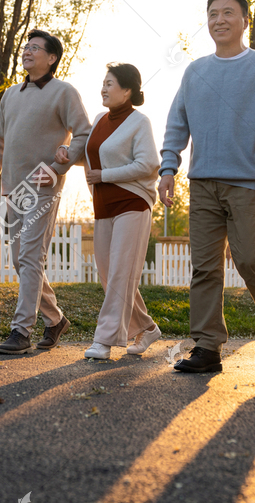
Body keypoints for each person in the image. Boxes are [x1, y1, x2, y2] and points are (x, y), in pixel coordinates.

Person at [158, 0, 255, 374]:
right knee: (204, 267)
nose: (219, 20)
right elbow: (177, 122)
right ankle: (207, 347)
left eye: (228, 13)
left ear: (244, 21)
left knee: (252, 259)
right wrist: (168, 167)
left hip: (249, 182)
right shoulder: (195, 70)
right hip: (202, 183)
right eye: (213, 14)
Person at [0, 29, 92, 355]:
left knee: (31, 257)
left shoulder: (64, 92)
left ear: (52, 57)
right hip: (13, 191)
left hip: (43, 189)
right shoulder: (11, 95)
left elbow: (84, 135)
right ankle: (55, 319)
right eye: (26, 47)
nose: (27, 52)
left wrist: (58, 168)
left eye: (35, 48)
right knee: (21, 261)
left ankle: (21, 330)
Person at [55, 63, 161, 359]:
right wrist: (66, 155)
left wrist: (105, 176)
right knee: (109, 275)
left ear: (127, 90)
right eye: (103, 83)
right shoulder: (100, 119)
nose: (103, 88)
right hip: (103, 206)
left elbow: (149, 163)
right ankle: (148, 328)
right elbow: (92, 156)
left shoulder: (140, 122)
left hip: (133, 204)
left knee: (120, 274)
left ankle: (104, 340)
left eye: (110, 83)